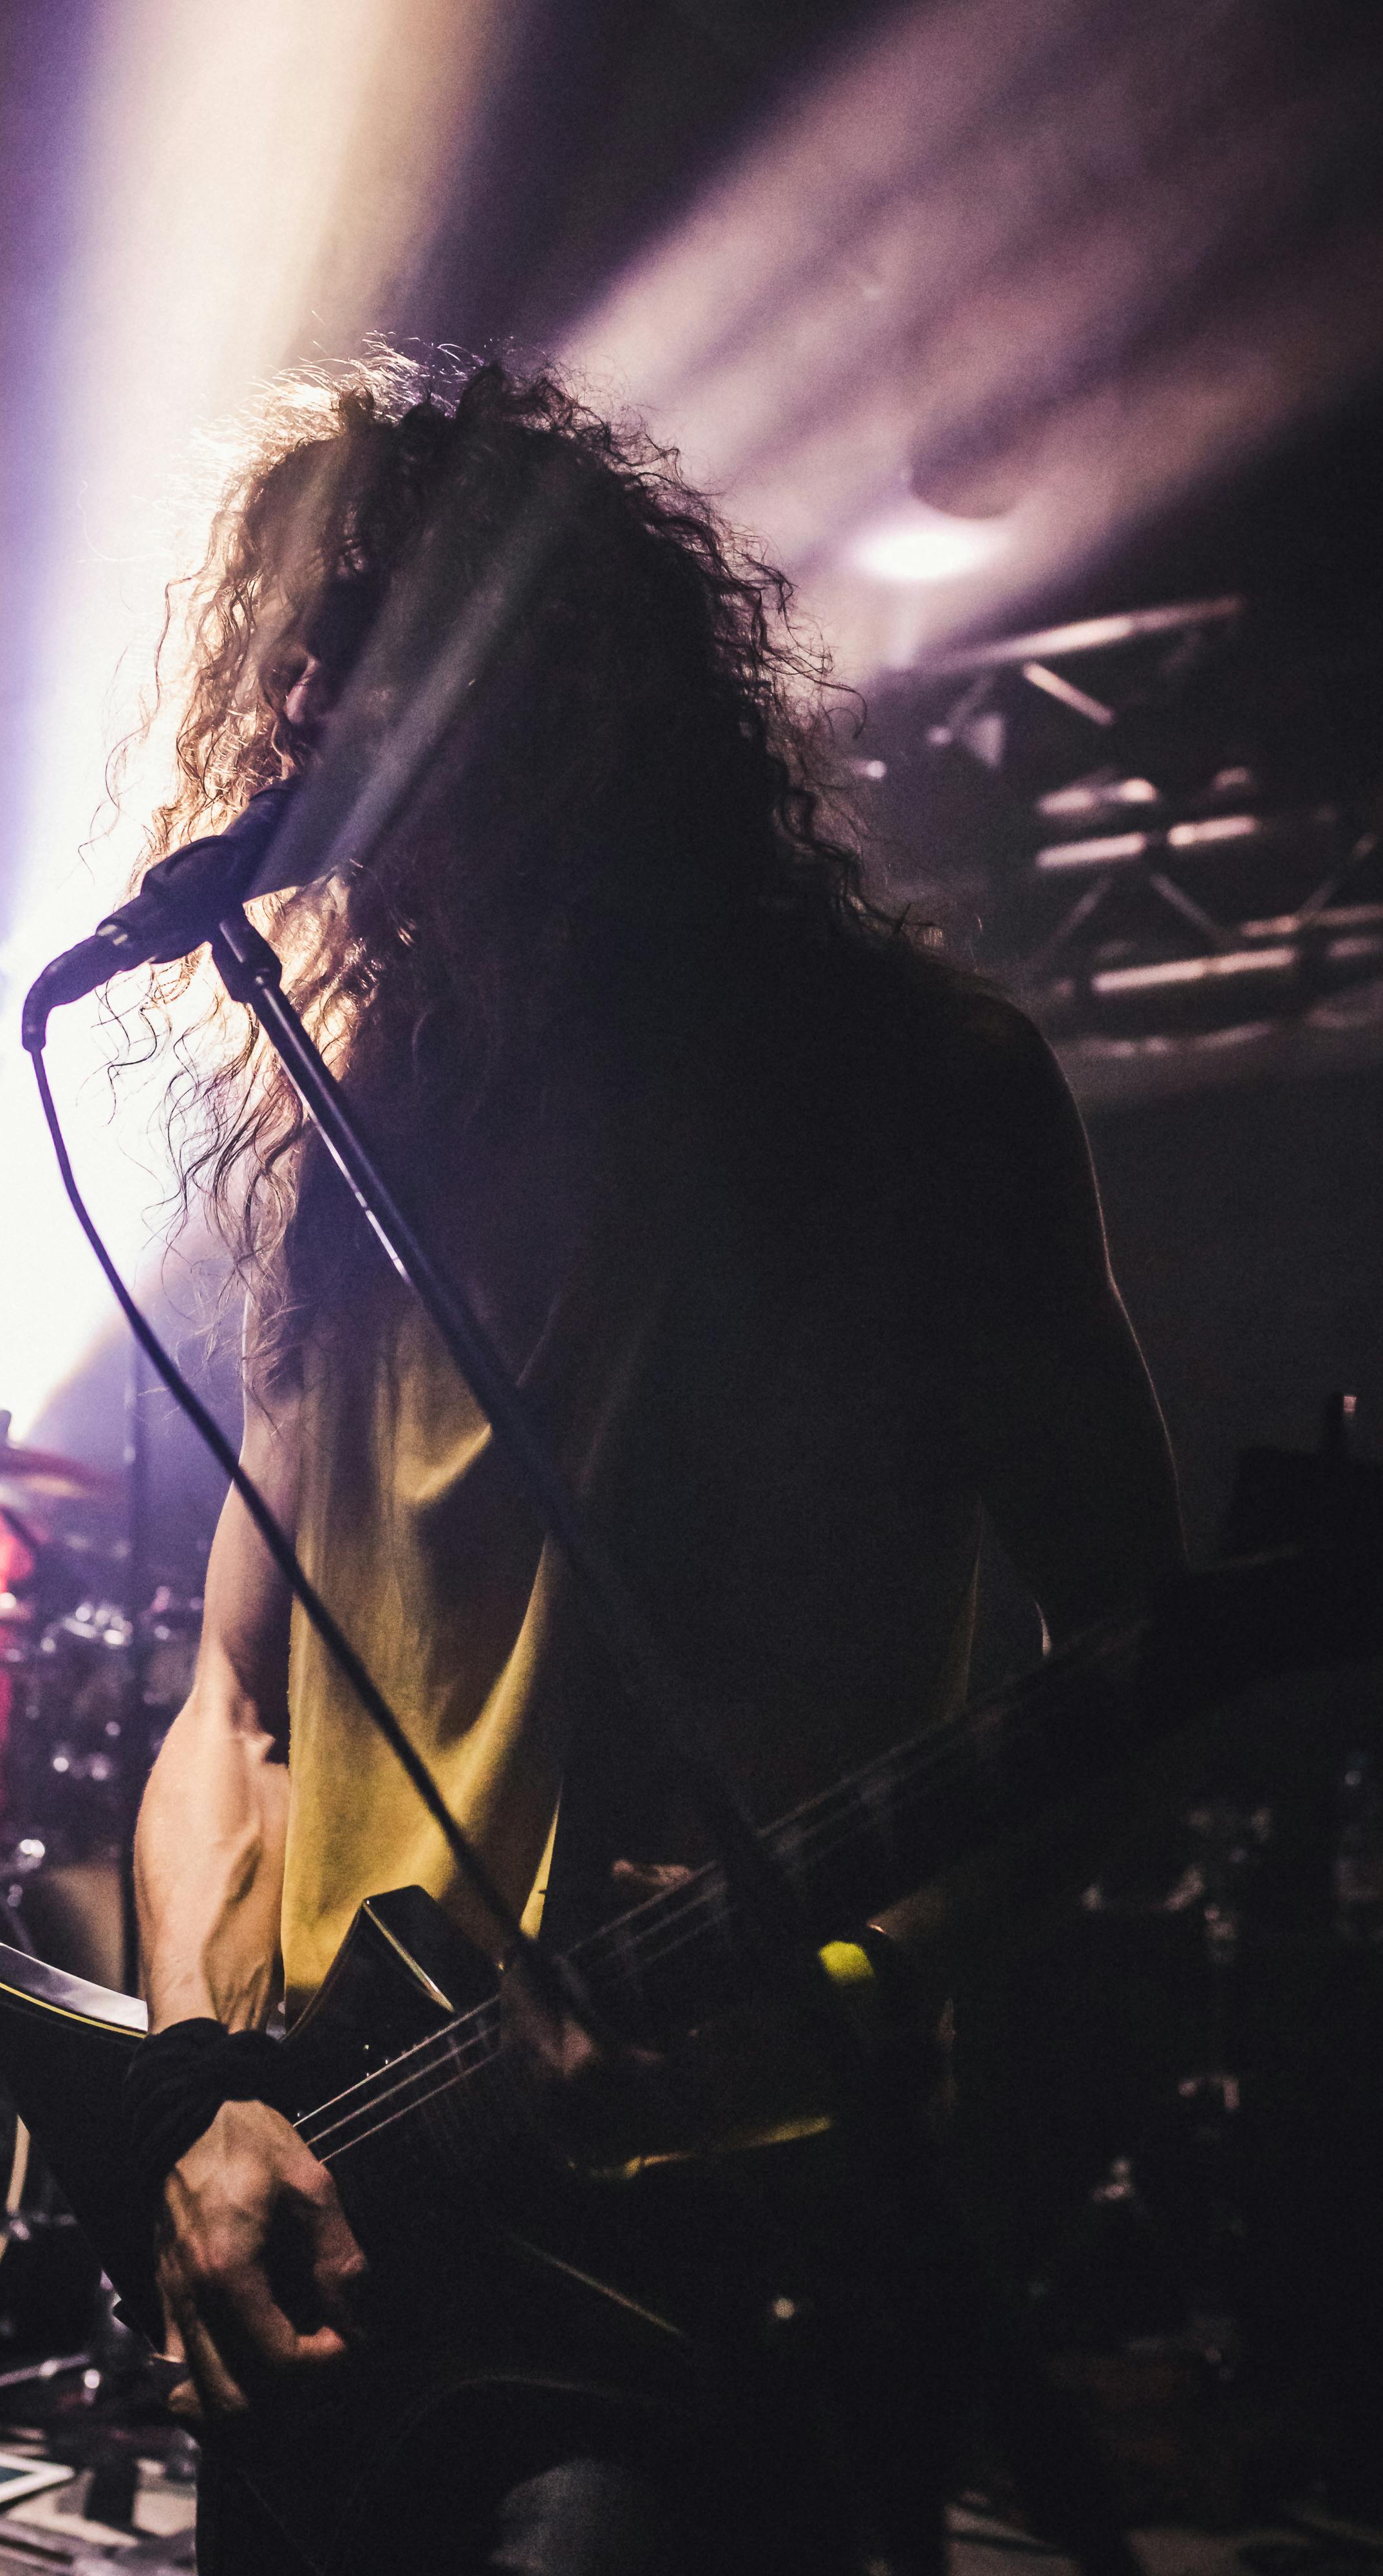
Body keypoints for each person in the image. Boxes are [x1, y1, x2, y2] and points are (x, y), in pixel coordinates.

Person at [125, 354, 1184, 2573]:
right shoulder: (356, 1132)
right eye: (288, 650)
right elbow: (229, 1698)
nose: (303, 705)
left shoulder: (907, 1094)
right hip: (350, 2227)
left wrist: (849, 1980)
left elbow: (1138, 1660)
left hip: (733, 2251)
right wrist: (210, 2092)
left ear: (562, 685)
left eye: (368, 639)